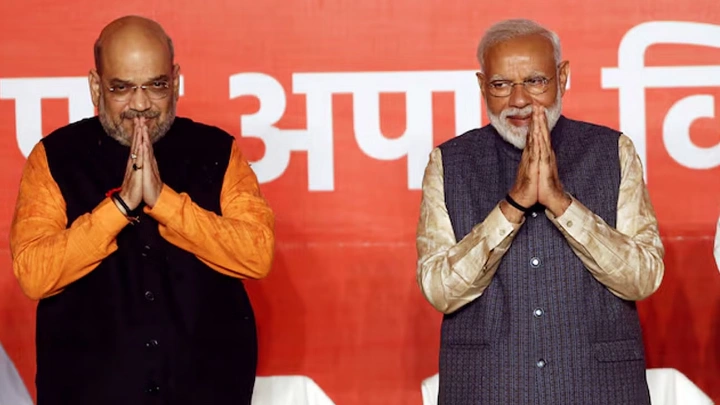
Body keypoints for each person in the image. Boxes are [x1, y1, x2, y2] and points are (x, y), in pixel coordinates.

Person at [9, 15, 274, 404]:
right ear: (96, 86)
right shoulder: (54, 158)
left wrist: (163, 201)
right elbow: (33, 273)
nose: (140, 105)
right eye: (122, 88)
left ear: (176, 81)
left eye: (156, 86)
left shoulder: (217, 152)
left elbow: (258, 254)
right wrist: (119, 207)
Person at [416, 19, 665, 404]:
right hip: (488, 388)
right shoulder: (450, 163)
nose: (519, 100)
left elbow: (643, 278)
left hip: (598, 388)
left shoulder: (612, 152)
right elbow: (439, 290)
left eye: (535, 82)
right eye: (501, 85)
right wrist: (513, 205)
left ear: (562, 77)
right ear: (482, 86)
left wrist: (561, 204)